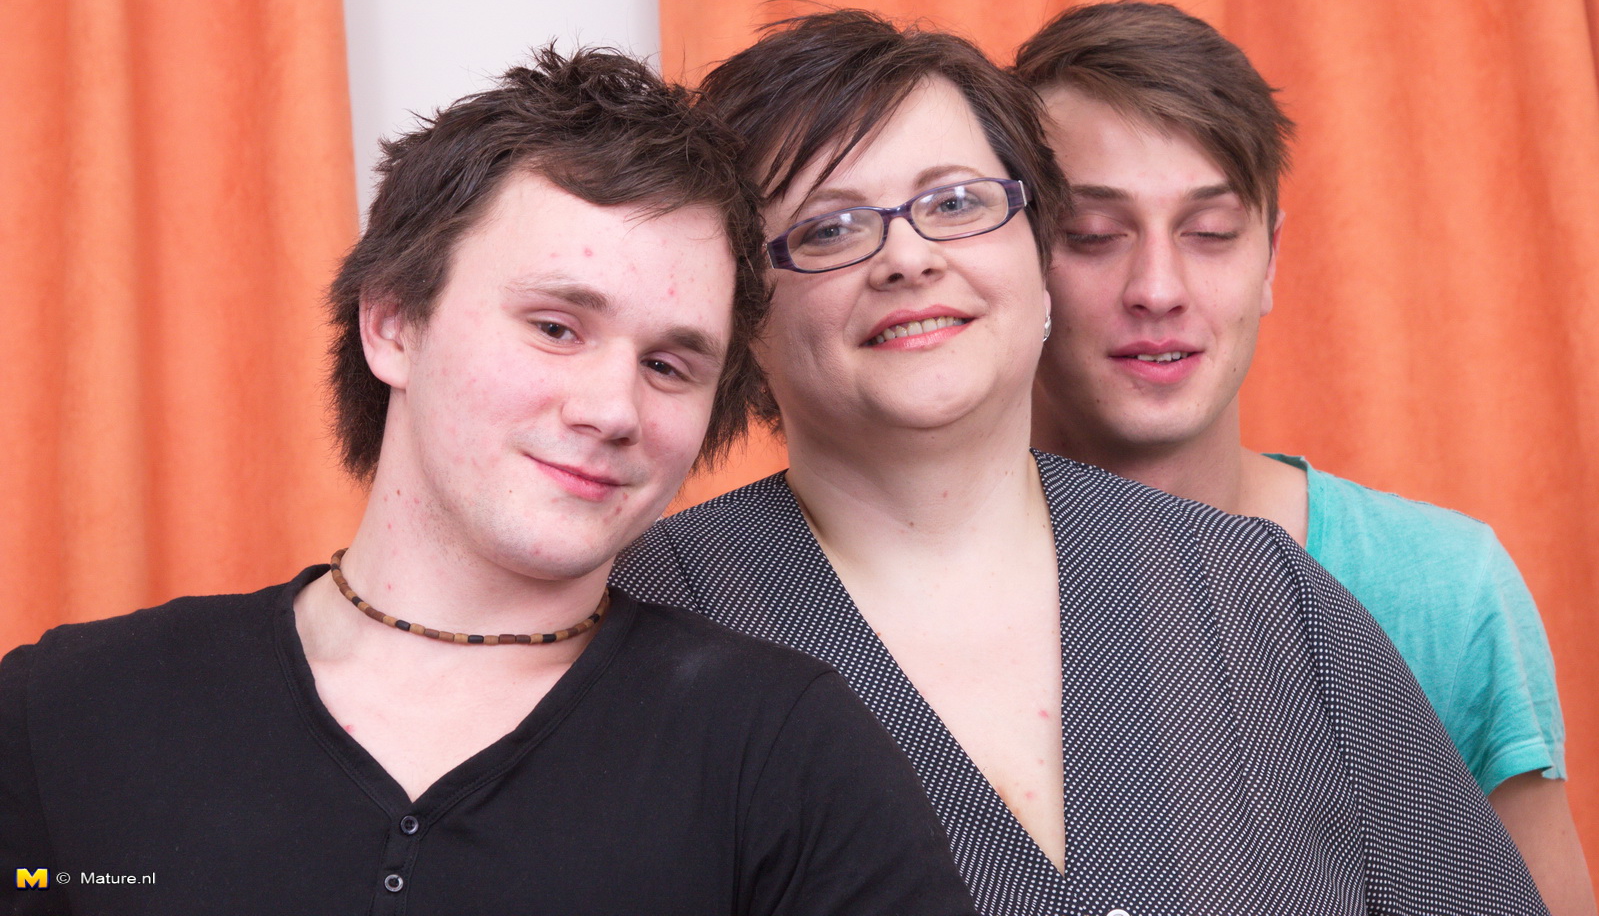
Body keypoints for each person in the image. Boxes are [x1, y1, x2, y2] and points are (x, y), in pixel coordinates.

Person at [0, 47, 979, 916]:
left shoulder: (788, 751)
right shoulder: (67, 711)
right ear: (393, 322)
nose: (613, 408)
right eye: (556, 327)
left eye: (670, 364)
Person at [613, 10, 1549, 916]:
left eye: (956, 204)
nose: (908, 259)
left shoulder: (1271, 598)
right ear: (740, 309)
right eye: (830, 228)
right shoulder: (640, 633)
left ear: (1038, 253)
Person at [1014, 0, 1597, 915]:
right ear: (1015, 264)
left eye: (1211, 233)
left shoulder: (1440, 589)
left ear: (1272, 259)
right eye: (1092, 235)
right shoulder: (911, 588)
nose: (1158, 289)